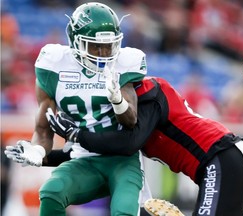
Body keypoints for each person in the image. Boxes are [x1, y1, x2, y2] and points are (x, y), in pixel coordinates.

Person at [6, 76, 243, 216]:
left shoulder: (150, 92)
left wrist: (76, 133)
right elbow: (86, 152)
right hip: (227, 161)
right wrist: (41, 156)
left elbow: (130, 142)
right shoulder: (119, 120)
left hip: (222, 158)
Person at [5, 2, 151, 216]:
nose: (102, 53)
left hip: (123, 159)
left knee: (124, 211)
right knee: (51, 192)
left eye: (108, 46)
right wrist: (37, 150)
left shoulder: (125, 62)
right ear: (76, 41)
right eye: (94, 46)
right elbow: (44, 129)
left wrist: (117, 99)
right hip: (83, 158)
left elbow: (130, 121)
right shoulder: (54, 65)